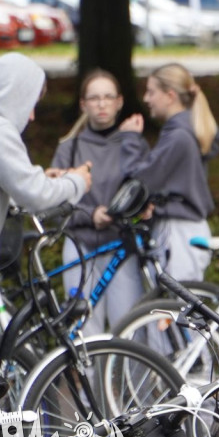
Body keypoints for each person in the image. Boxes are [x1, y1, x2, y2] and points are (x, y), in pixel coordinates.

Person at [52, 69, 149, 335]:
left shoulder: (131, 143)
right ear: (83, 104)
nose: (102, 104)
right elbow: (54, 202)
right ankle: (87, 378)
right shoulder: (69, 148)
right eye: (94, 98)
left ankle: (124, 378)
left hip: (122, 247)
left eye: (108, 97)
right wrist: (90, 214)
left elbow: (145, 191)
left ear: (119, 102)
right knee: (83, 328)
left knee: (129, 327)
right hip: (80, 246)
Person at [0, 52, 92, 273]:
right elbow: (36, 195)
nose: (31, 117)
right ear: (16, 95)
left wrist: (38, 179)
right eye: (31, 104)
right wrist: (76, 181)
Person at [118, 63, 219, 282]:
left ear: (170, 95)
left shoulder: (178, 137)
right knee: (175, 310)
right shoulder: (186, 131)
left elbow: (141, 180)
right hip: (184, 230)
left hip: (179, 233)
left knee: (174, 311)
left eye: (151, 92)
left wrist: (129, 140)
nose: (146, 99)